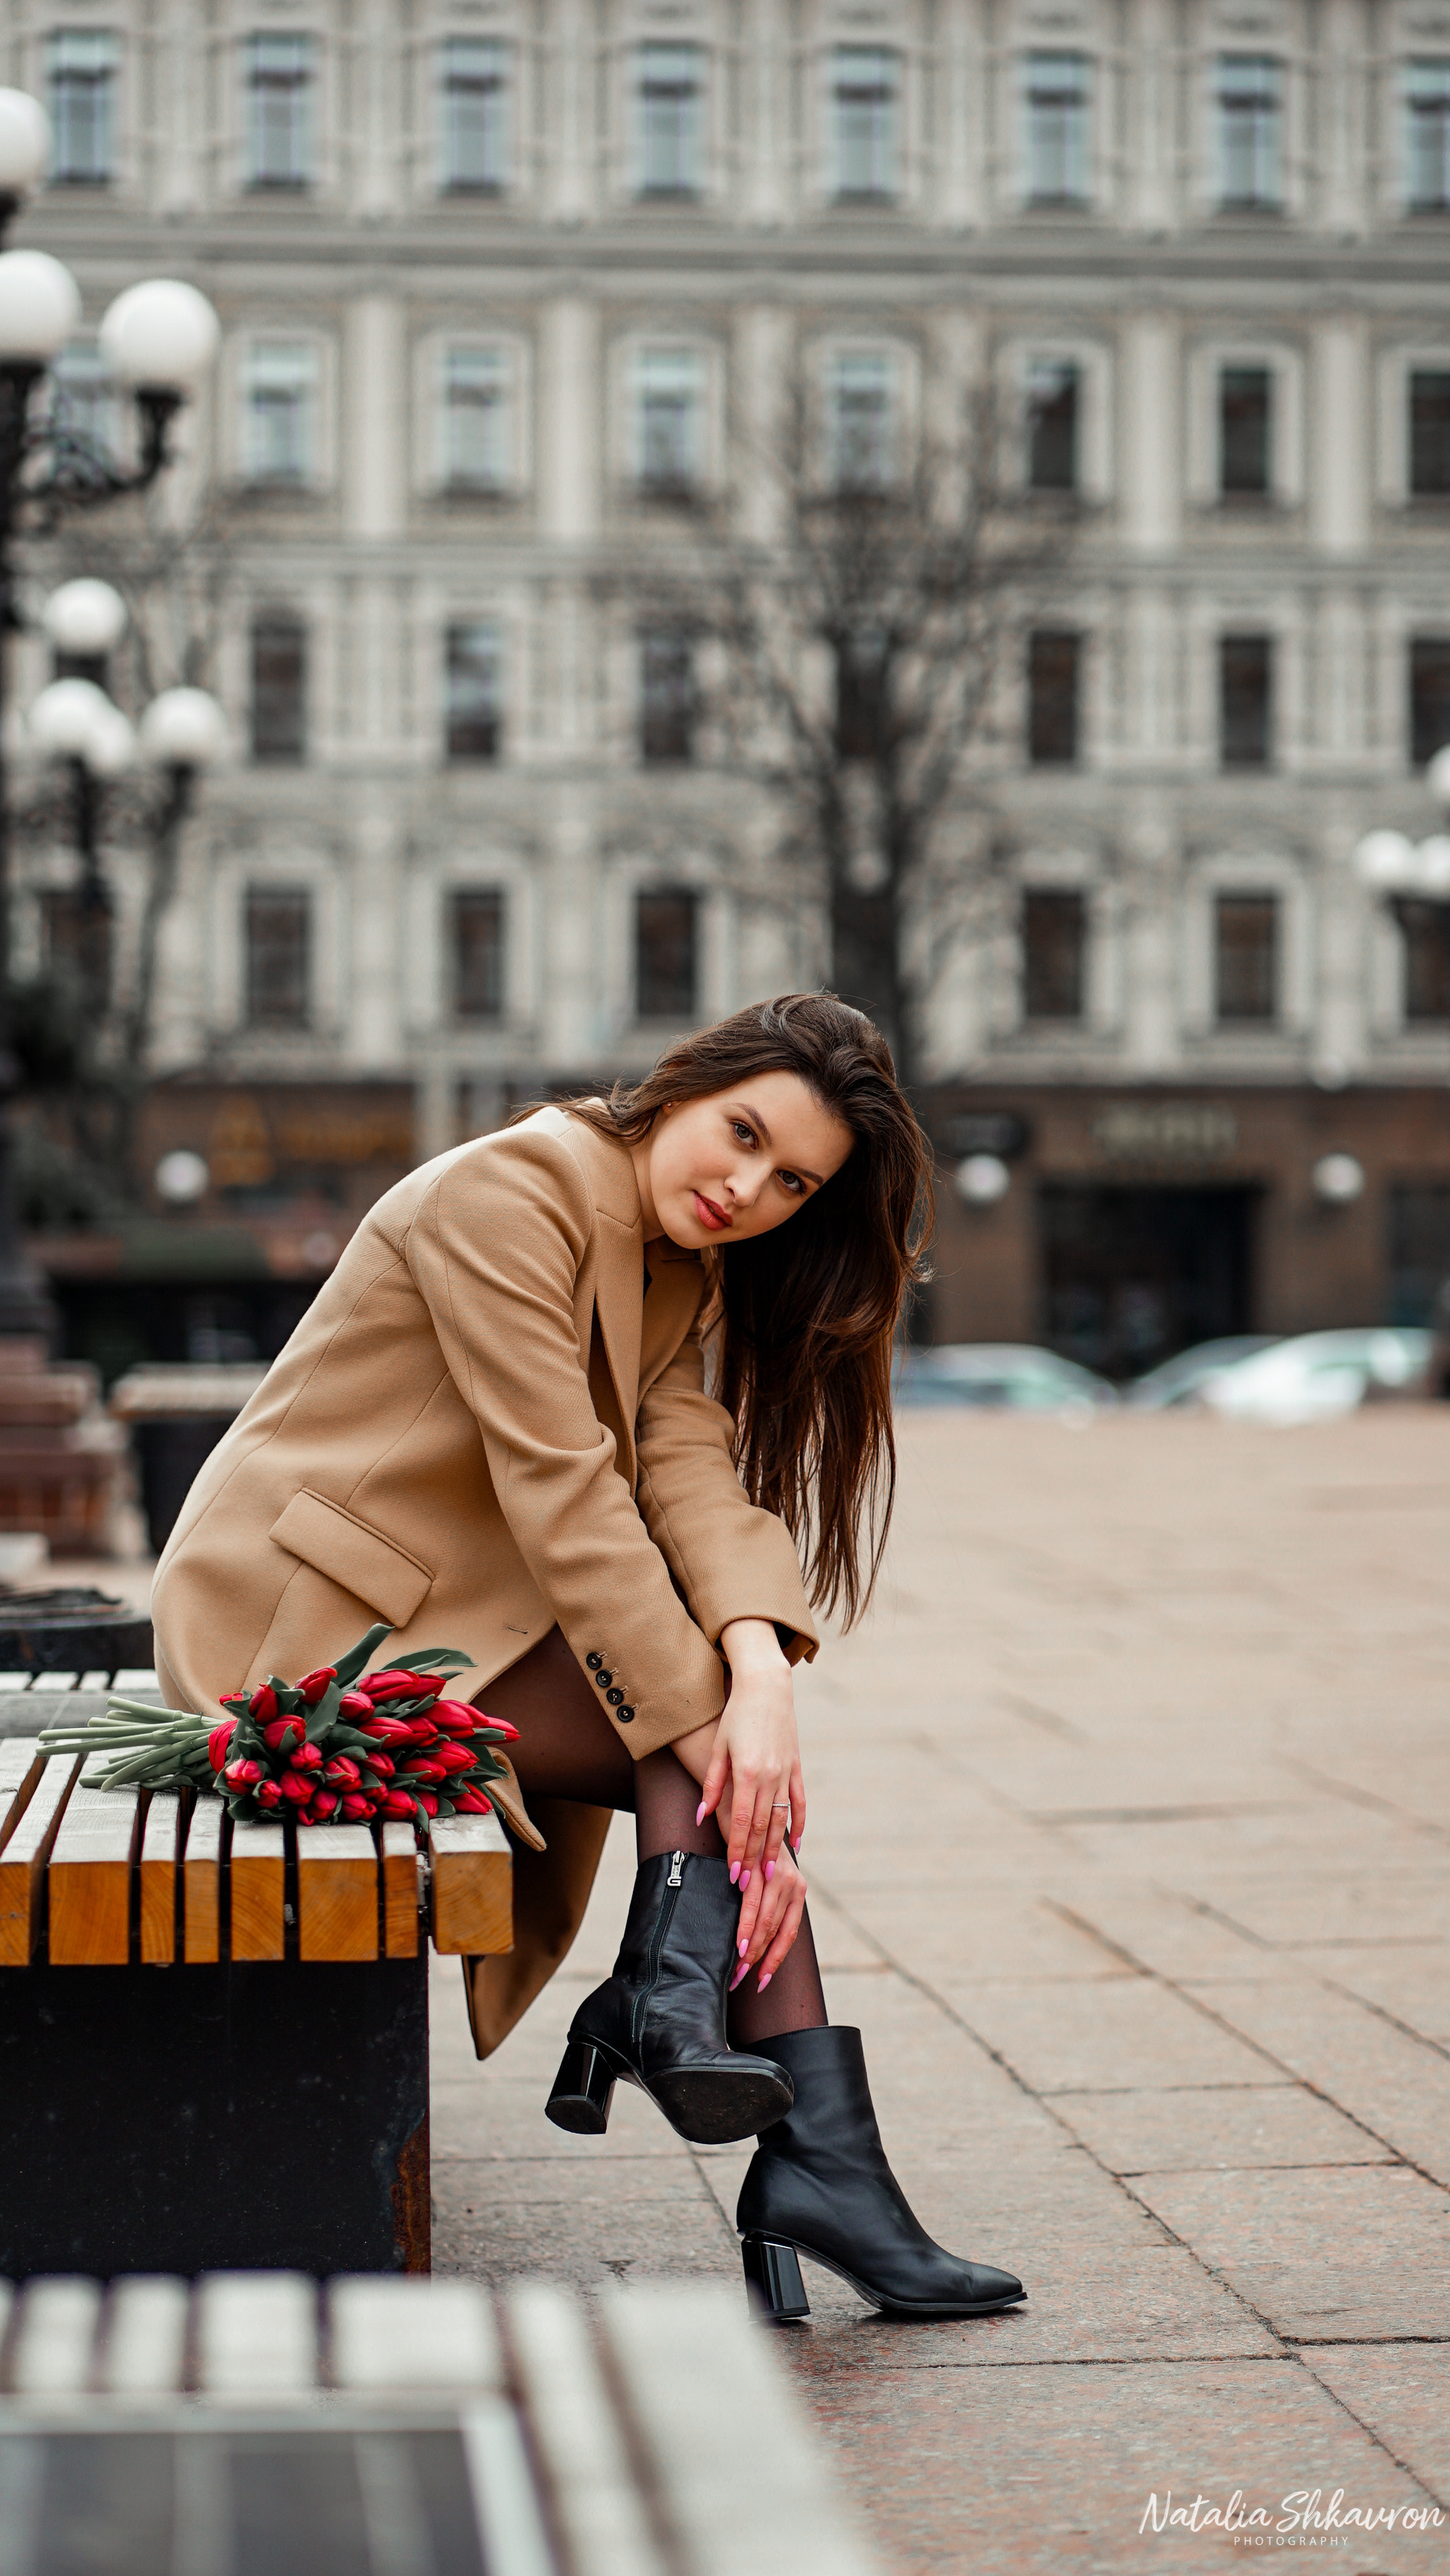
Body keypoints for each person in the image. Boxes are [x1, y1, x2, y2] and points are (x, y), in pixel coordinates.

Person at [151, 992, 1023, 2321]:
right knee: (699, 1756)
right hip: (298, 1624)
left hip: (433, 1617)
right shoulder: (510, 1196)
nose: (746, 1187)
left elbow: (687, 1477)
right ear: (682, 1086)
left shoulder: (671, 1254)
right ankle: (744, 2087)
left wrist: (763, 1663)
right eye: (739, 1135)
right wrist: (724, 1732)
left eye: (790, 1180)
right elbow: (566, 1491)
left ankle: (698, 2028)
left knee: (714, 1745)